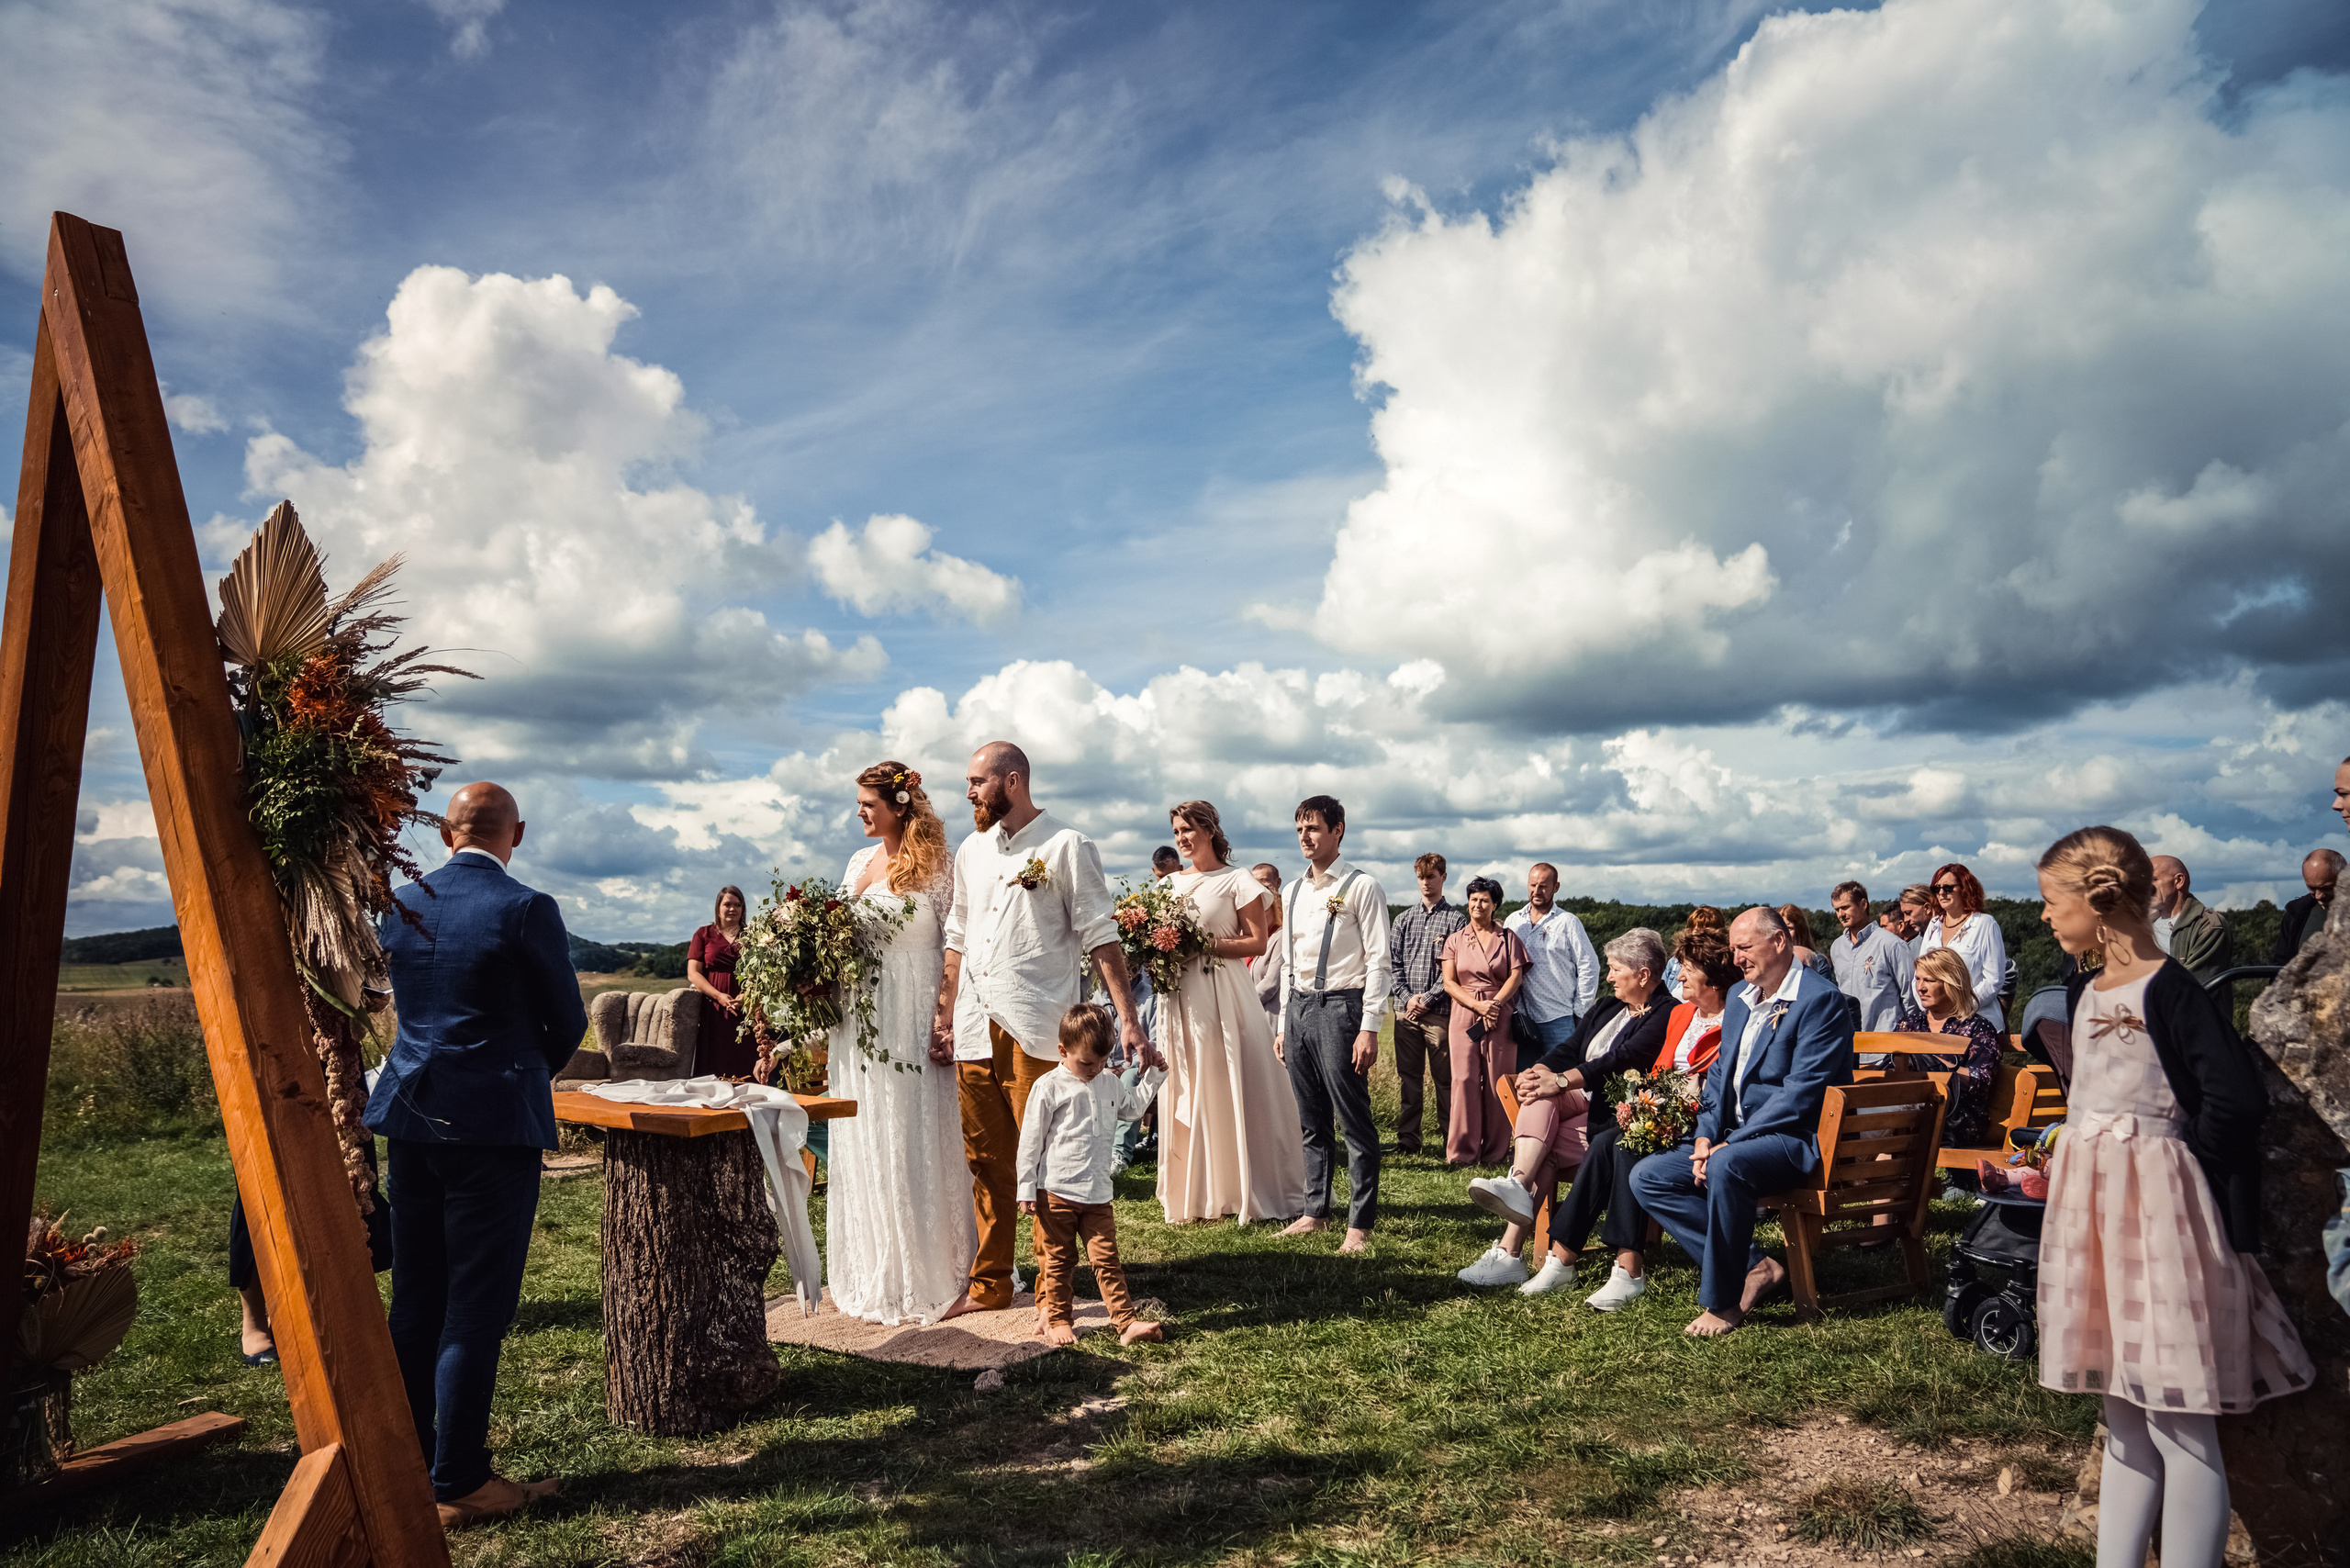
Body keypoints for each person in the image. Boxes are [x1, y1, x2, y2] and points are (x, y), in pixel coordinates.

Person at [2033, 826, 2312, 1568]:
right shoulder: (2082, 988)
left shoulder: (2172, 991)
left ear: (2098, 902)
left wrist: (2170, 1167)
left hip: (2159, 1220)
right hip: (2094, 1220)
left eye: (2049, 901)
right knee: (2123, 1414)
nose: (2042, 917)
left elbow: (2233, 1102)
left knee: (2180, 1422)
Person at [363, 782, 583, 1527]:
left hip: (410, 1119)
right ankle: (459, 1479)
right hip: (492, 1127)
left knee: (417, 1300)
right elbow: (567, 1022)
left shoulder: (400, 902)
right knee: (475, 1308)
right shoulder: (525, 908)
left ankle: (408, 1464)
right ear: (515, 832)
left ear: (445, 832)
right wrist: (517, 1076)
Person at [934, 742, 1153, 1319]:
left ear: (1013, 780)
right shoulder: (970, 851)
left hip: (1038, 1028)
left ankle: (1052, 1295)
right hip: (976, 1027)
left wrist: (1127, 1018)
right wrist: (944, 1014)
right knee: (986, 1159)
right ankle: (992, 1284)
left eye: (978, 781)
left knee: (1048, 1162)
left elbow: (1100, 934)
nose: (969, 792)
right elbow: (956, 934)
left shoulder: (1066, 845)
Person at [1629, 906, 1854, 1337]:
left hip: (1794, 1138)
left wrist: (1729, 1145)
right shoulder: (1739, 998)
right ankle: (1756, 1266)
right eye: (1733, 950)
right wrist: (1704, 1136)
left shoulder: (1819, 1000)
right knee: (1648, 1176)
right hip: (1733, 1139)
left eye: (1745, 948)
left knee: (1726, 1166)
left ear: (1780, 942)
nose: (1736, 959)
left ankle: (1723, 1302)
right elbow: (1718, 1079)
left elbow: (1800, 1094)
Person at [823, 762, 977, 1325]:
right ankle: (875, 1261)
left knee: (913, 1133)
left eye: (868, 803)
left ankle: (936, 1266)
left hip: (913, 1014)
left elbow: (955, 945)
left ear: (899, 804)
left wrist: (945, 1020)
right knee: (868, 1130)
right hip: (862, 1021)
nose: (859, 813)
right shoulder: (858, 862)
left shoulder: (939, 864)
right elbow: (837, 933)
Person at [1458, 927, 1674, 1292]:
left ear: (1643, 974)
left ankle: (1511, 1250)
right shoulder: (1608, 1007)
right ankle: (1519, 1186)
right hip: (1580, 1103)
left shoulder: (1667, 1012)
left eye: (1615, 969)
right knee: (1537, 1095)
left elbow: (1622, 1060)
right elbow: (1570, 1048)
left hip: (1615, 1115)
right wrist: (1537, 1072)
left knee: (1546, 1146)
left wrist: (1558, 1082)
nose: (1608, 977)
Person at [1155, 801, 1309, 1224]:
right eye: (1176, 832)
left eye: (1188, 829)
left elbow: (1257, 941)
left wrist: (1200, 946)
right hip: (1178, 996)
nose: (1182, 838)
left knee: (1223, 1077)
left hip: (1221, 992)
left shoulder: (1237, 880)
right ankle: (1195, 1190)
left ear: (1208, 830)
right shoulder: (1168, 887)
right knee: (1186, 1079)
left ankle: (1239, 1186)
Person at [1273, 795, 1393, 1253]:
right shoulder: (1292, 891)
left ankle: (1359, 1225)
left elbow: (1380, 962)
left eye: (1314, 828)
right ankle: (1315, 1212)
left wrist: (1369, 1027)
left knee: (1353, 1119)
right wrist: (1285, 1023)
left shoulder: (1363, 886)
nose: (1305, 837)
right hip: (1299, 1007)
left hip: (1343, 1005)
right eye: (1300, 829)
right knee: (1311, 1119)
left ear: (1338, 831)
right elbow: (1286, 963)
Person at [1017, 1004, 1167, 1347]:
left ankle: (1126, 1323)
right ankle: (1057, 1319)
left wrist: (1154, 1076)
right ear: (1063, 1051)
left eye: (1101, 1062)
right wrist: (1026, 1188)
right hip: (1056, 1192)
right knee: (1059, 1259)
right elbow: (1030, 1141)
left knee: (1107, 1259)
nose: (1095, 1069)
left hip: (1099, 1193)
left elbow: (1132, 1110)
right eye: (1086, 1063)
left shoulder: (1108, 1083)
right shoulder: (1049, 1087)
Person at [1439, 878, 1529, 1166]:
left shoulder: (1509, 938)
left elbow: (1516, 975)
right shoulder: (1455, 940)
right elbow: (1450, 983)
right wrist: (1478, 1004)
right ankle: (1462, 1153)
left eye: (1485, 901)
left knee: (1497, 1082)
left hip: (1499, 1013)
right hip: (1464, 1012)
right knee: (1463, 1080)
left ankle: (1496, 1152)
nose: (1478, 905)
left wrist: (1494, 1005)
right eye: (1474, 899)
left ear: (1495, 905)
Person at [1387, 853, 1464, 1155]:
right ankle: (1408, 1141)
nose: (1425, 883)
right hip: (1406, 1014)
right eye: (1421, 877)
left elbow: (1455, 970)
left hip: (1440, 1014)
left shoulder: (1456, 920)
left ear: (1443, 877)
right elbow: (1393, 966)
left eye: (1431, 877)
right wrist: (1408, 999)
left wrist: (1427, 999)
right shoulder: (1403, 919)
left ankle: (1451, 1141)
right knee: (1409, 1080)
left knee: (1446, 1081)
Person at [1893, 948, 2004, 1148]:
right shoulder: (1908, 1025)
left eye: (1930, 980)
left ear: (1951, 983)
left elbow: (1980, 1081)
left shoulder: (1978, 1028)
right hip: (1907, 1109)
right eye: (1918, 979)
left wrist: (1937, 1068)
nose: (1920, 988)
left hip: (1957, 1117)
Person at [1504, 863, 1600, 1047]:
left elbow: (1589, 966)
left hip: (1558, 1016)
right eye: (1533, 885)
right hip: (1521, 1017)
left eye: (1543, 886)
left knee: (1559, 1074)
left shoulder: (1567, 922)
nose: (1537, 891)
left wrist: (1580, 1011)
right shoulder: (1513, 921)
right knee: (1524, 1075)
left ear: (1556, 888)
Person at [1919, 863, 2009, 1032]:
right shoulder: (1934, 924)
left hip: (1978, 1023)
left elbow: (1994, 979)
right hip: (1937, 1024)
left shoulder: (1985, 923)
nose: (1942, 893)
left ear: (1965, 888)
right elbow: (1919, 972)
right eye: (1936, 889)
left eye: (1948, 887)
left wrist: (1960, 1008)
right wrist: (1929, 1007)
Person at [1829, 882, 1915, 1051]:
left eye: (1845, 907)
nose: (1841, 914)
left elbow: (1910, 995)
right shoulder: (1837, 947)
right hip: (1851, 1046)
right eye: (1837, 909)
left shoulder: (1891, 944)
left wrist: (1907, 1041)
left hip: (1887, 1045)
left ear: (1863, 904)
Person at [687, 886, 754, 1079]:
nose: (732, 909)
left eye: (737, 905)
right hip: (713, 1008)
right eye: (727, 904)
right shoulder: (703, 934)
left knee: (745, 1058)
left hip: (746, 1006)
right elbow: (693, 974)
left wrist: (746, 996)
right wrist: (718, 996)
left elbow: (760, 974)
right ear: (718, 907)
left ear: (743, 908)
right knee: (714, 1059)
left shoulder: (753, 936)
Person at [2146, 857, 2232, 987]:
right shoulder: (2140, 925)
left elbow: (2190, 987)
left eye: (2153, 880)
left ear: (2179, 881)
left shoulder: (2209, 926)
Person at [2270, 848, 2342, 966]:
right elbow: (2280, 967)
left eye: (2326, 888)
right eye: (2312, 888)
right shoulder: (2296, 914)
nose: (2318, 895)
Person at [1661, 904, 1725, 1000]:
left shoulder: (1723, 963)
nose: (1697, 936)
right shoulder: (1675, 962)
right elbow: (1662, 994)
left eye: (1704, 933)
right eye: (1694, 930)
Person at [1248, 863, 1284, 1024]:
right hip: (1251, 1019)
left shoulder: (1281, 936)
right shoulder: (1247, 936)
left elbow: (1271, 983)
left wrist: (1241, 1005)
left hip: (1269, 1019)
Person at [1778, 904, 1834, 981]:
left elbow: (1824, 991)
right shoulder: (1774, 961)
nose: (1785, 933)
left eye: (1789, 928)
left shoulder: (1818, 960)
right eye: (1781, 929)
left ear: (1800, 930)